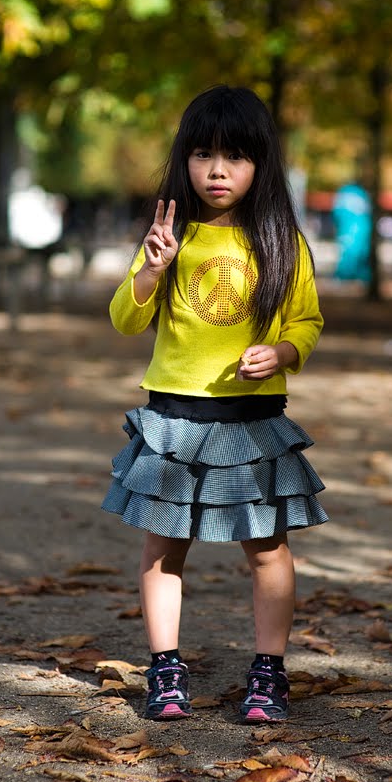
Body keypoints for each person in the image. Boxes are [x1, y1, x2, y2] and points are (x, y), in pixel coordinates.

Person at [101, 85, 327, 723]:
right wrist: (150, 270)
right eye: (202, 154)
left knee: (267, 549)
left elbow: (307, 321)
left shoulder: (283, 242)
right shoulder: (168, 238)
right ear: (184, 160)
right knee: (163, 548)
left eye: (234, 156)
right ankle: (166, 671)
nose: (217, 170)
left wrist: (282, 352)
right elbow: (123, 318)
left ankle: (268, 673)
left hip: (253, 423)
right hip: (173, 420)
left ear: (262, 164)